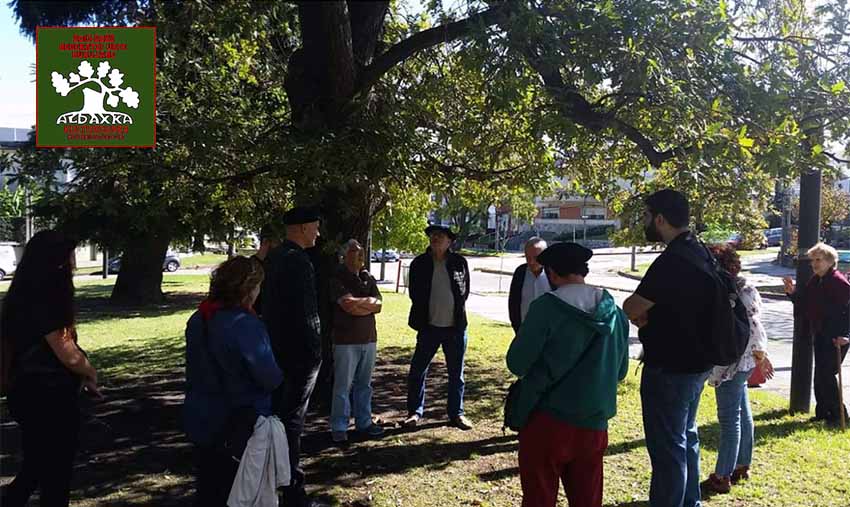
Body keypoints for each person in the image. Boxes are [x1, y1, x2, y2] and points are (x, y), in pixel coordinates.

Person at [507, 242, 629, 507]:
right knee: (587, 498)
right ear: (583, 271)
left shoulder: (545, 308)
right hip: (594, 424)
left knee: (539, 497)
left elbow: (517, 363)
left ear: (551, 273)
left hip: (546, 419)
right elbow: (620, 372)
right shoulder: (616, 314)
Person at [623, 189, 715, 507]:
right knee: (685, 438)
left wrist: (645, 317)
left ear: (660, 219)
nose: (645, 222)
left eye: (647, 216)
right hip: (697, 364)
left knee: (667, 449)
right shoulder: (701, 251)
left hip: (670, 367)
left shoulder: (672, 260)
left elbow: (632, 306)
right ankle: (690, 502)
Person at [0, 231, 101, 507]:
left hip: (24, 391)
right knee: (56, 472)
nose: (73, 263)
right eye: (69, 256)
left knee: (36, 465)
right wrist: (89, 372)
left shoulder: (20, 295)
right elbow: (67, 353)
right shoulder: (48, 298)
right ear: (56, 262)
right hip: (49, 396)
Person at [184, 256, 283, 506]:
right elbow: (269, 377)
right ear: (248, 289)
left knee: (208, 490)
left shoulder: (199, 319)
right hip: (238, 424)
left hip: (201, 418)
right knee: (242, 494)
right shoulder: (245, 325)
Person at [262, 205, 323, 507]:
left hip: (278, 351)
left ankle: (280, 482)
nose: (318, 232)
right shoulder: (298, 261)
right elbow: (305, 314)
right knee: (292, 422)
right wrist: (315, 350)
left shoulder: (275, 257)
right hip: (299, 355)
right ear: (300, 228)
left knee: (283, 418)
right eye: (315, 226)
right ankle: (292, 490)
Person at [701, 244, 774, 494]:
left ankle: (722, 475)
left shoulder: (720, 290)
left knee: (730, 419)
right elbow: (756, 324)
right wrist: (760, 355)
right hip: (744, 359)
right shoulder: (746, 287)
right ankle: (743, 464)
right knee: (742, 413)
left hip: (729, 361)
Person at [404, 224, 473, 430]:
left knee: (456, 374)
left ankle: (456, 413)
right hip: (429, 327)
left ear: (449, 241)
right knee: (417, 371)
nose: (435, 239)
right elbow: (414, 293)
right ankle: (414, 412)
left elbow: (465, 290)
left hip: (455, 328)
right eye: (433, 236)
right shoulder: (419, 263)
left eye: (440, 236)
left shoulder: (459, 262)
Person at [783, 242, 850, 426]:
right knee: (820, 375)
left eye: (818, 260)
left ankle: (838, 415)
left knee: (827, 375)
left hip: (837, 336)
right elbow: (805, 303)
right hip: (820, 332)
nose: (814, 264)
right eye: (813, 260)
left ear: (830, 261)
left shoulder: (838, 282)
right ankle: (823, 412)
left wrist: (846, 335)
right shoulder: (816, 280)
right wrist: (792, 293)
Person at [329, 239, 384, 443]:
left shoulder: (367, 276)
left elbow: (378, 305)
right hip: (345, 341)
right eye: (355, 251)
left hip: (369, 339)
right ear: (345, 256)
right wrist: (366, 303)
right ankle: (339, 427)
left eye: (362, 251)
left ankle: (364, 423)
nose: (361, 255)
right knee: (342, 386)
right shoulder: (337, 278)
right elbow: (347, 305)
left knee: (364, 385)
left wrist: (363, 303)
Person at [508, 237, 553, 332]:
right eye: (528, 257)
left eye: (536, 258)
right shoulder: (520, 272)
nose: (531, 262)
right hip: (524, 330)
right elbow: (513, 302)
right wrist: (517, 327)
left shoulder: (554, 273)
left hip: (550, 332)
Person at [250, 224, 281, 316]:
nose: (279, 246)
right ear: (266, 242)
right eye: (277, 242)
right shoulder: (251, 267)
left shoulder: (275, 264)